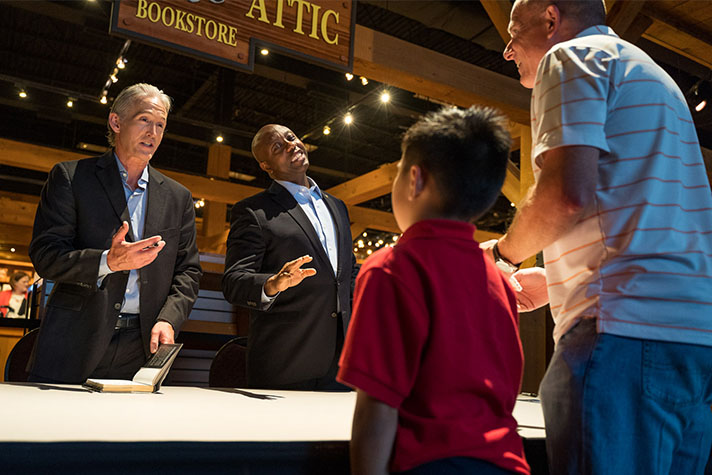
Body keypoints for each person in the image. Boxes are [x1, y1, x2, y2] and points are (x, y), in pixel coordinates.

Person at [481, 1, 712, 474]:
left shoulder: (570, 57)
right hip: (693, 340)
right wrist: (562, 280)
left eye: (513, 32)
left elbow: (567, 193)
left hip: (620, 337)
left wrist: (502, 258)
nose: (507, 51)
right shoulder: (655, 77)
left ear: (550, 19)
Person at [338, 106, 529, 475]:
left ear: (414, 180)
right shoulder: (500, 283)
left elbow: (377, 407)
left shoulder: (391, 268)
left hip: (433, 464)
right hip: (507, 462)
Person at [28, 83, 202, 384]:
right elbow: (46, 256)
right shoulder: (71, 177)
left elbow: (188, 271)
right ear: (116, 122)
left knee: (132, 431)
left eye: (161, 125)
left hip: (144, 345)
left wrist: (168, 319)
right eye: (145, 120)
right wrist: (108, 262)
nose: (153, 132)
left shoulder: (179, 197)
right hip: (75, 339)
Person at [222, 124, 358, 390]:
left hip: (342, 364)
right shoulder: (253, 212)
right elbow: (233, 281)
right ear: (266, 166)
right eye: (277, 147)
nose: (290, 145)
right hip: (286, 362)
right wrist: (273, 283)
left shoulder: (337, 206)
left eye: (291, 137)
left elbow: (346, 274)